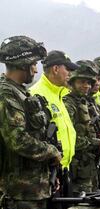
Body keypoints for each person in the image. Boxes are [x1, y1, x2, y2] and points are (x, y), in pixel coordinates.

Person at [0, 36, 61, 209]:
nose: (36, 69)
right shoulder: (6, 95)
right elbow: (18, 140)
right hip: (20, 192)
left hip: (35, 188)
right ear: (23, 64)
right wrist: (51, 152)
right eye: (33, 64)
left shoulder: (21, 93)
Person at [30, 50, 78, 191]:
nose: (70, 74)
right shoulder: (36, 95)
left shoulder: (59, 94)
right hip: (47, 174)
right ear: (55, 69)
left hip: (63, 170)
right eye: (67, 69)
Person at [63, 60, 100, 194]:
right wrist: (95, 142)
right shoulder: (68, 104)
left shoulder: (87, 102)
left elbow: (96, 128)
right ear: (72, 82)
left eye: (89, 82)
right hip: (77, 170)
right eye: (81, 82)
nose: (86, 86)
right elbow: (68, 138)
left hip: (91, 166)